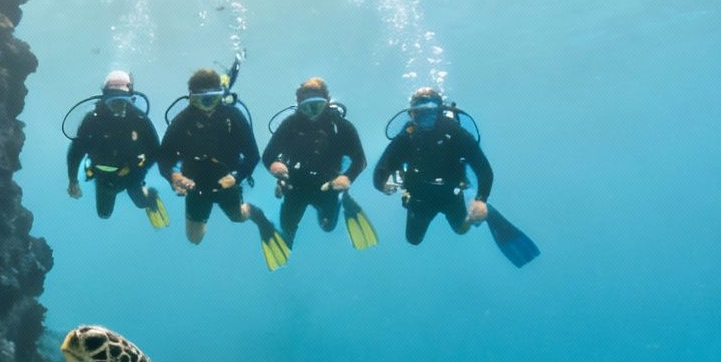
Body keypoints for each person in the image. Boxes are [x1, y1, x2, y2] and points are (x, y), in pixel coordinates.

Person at [157, 67, 290, 269]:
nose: (207, 105)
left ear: (220, 96)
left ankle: (256, 214)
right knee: (194, 239)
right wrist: (174, 177)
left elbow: (253, 155)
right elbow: (164, 158)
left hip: (226, 180)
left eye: (212, 98)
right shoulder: (181, 121)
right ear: (191, 98)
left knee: (237, 217)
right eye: (202, 99)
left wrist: (236, 178)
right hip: (194, 183)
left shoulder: (233, 117)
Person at [263, 77, 377, 250]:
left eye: (316, 105)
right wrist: (275, 166)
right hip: (295, 182)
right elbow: (268, 155)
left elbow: (360, 160)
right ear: (299, 105)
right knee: (287, 227)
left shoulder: (341, 126)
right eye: (306, 106)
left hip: (328, 184)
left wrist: (347, 178)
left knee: (328, 227)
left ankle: (345, 200)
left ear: (327, 102)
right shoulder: (289, 125)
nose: (311, 112)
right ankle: (287, 249)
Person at [371, 86, 494, 245]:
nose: (425, 121)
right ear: (412, 114)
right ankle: (471, 202)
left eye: (430, 113)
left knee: (462, 230)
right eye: (419, 114)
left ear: (440, 112)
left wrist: (481, 199)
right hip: (419, 198)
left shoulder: (455, 133)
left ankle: (472, 199)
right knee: (413, 240)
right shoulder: (407, 136)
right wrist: (384, 184)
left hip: (451, 193)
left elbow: (484, 170)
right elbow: (382, 168)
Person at [65, 71, 167, 229]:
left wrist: (138, 172)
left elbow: (155, 152)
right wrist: (73, 180)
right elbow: (76, 151)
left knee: (141, 203)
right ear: (104, 98)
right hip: (103, 176)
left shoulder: (140, 121)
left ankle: (151, 196)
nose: (119, 106)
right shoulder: (91, 120)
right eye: (114, 101)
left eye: (124, 101)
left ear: (131, 98)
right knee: (104, 214)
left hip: (132, 174)